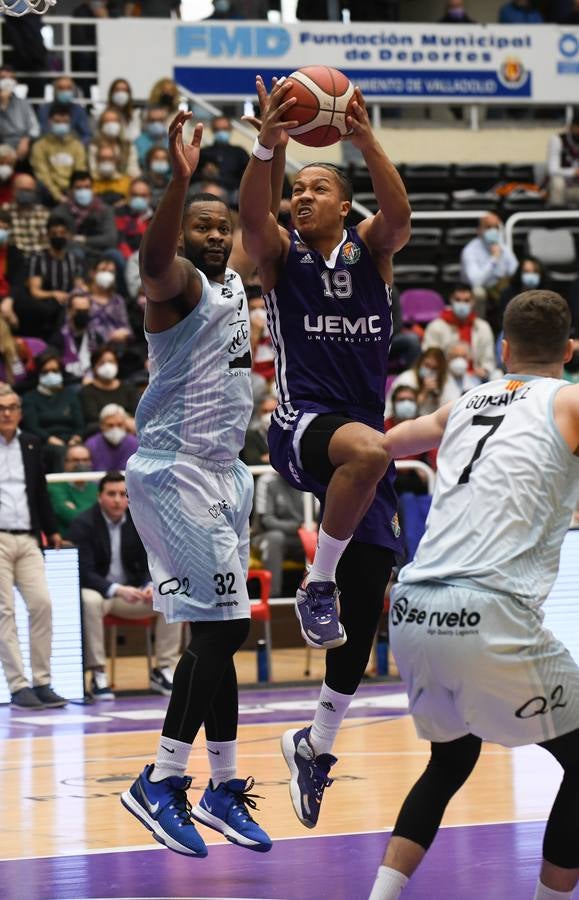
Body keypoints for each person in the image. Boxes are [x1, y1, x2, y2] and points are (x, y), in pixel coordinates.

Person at [238, 76, 410, 827]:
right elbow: (252, 218)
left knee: (367, 601)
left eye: (316, 189)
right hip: (303, 425)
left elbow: (398, 218)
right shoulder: (281, 257)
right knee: (370, 453)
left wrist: (365, 139)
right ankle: (315, 586)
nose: (300, 198)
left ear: (345, 204)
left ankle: (316, 742)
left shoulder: (372, 251)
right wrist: (268, 145)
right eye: (295, 190)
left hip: (359, 436)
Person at [368, 289, 579, 900]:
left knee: (451, 760)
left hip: (411, 608)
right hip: (488, 610)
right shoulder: (568, 400)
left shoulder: (464, 402)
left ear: (504, 349)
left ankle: (381, 895)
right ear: (568, 351)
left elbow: (385, 444)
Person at [121, 109, 272, 857]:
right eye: (201, 226)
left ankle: (219, 784)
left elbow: (256, 213)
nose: (216, 235)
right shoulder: (174, 286)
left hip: (224, 473)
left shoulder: (237, 282)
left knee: (222, 632)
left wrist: (266, 148)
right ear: (183, 234)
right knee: (221, 629)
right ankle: (160, 780)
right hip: (175, 470)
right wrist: (177, 184)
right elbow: (152, 264)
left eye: (223, 227)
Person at [68, 471, 181, 700]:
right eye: (111, 494)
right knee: (88, 601)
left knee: (171, 596)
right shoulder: (83, 524)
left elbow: (154, 559)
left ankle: (164, 669)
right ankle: (98, 673)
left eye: (123, 494)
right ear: (100, 497)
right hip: (103, 594)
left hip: (134, 594)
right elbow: (83, 572)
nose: (118, 500)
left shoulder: (141, 520)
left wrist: (150, 584)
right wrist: (117, 589)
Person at [0, 384, 66, 710]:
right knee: (4, 612)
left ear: (21, 412)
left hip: (28, 537)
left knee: (42, 605)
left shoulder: (30, 443)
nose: (7, 413)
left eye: (12, 407)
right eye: (1, 408)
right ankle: (18, 685)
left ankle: (42, 681)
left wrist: (52, 531)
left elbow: (40, 490)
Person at [421, 283, 497, 380]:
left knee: (497, 375)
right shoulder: (435, 326)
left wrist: (485, 370)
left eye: (466, 300)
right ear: (451, 300)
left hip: (475, 377)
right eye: (458, 300)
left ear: (473, 302)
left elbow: (488, 358)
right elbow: (429, 357)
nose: (462, 304)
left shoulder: (483, 327)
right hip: (444, 377)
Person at [26, 214, 84, 340]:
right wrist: (53, 294)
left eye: (62, 233)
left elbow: (79, 286)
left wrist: (74, 296)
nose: (58, 236)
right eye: (54, 233)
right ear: (47, 235)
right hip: (46, 302)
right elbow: (34, 291)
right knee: (50, 309)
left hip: (68, 300)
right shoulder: (38, 259)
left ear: (68, 235)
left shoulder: (74, 259)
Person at [460, 213, 518, 332]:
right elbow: (476, 281)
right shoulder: (470, 250)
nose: (493, 230)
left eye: (495, 227)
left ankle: (511, 328)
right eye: (488, 227)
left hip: (498, 288)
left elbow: (515, 270)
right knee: (478, 293)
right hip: (475, 289)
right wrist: (494, 259)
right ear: (479, 230)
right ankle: (478, 329)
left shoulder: (502, 246)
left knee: (513, 288)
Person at [253, 470, 305, 599]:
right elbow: (267, 521)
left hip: (301, 539)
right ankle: (272, 599)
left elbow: (318, 517)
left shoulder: (308, 477)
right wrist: (298, 527)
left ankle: (323, 597)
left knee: (324, 538)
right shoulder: (267, 480)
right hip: (265, 535)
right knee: (275, 538)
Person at [53, 171, 118, 268]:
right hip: (74, 251)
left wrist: (83, 240)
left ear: (93, 189)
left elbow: (111, 239)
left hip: (101, 252)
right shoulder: (59, 213)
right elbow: (63, 240)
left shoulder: (105, 210)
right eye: (78, 188)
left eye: (87, 187)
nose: (83, 191)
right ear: (70, 190)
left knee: (115, 255)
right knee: (76, 254)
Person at [30, 104, 87, 206]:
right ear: (49, 122)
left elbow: (79, 171)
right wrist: (58, 196)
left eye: (65, 122)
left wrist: (72, 193)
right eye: (57, 121)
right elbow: (43, 174)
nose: (61, 124)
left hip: (72, 191)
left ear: (70, 123)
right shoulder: (39, 146)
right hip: (48, 191)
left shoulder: (77, 146)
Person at [79, 343, 138, 434]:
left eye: (111, 362)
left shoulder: (128, 388)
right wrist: (122, 421)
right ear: (94, 367)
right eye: (102, 363)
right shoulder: (87, 391)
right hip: (100, 433)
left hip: (129, 433)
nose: (108, 366)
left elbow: (137, 413)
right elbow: (92, 419)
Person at [385, 347, 459, 419]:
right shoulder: (407, 378)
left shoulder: (446, 381)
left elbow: (453, 408)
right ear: (420, 362)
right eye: (427, 365)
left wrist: (437, 398)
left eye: (434, 368)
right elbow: (398, 410)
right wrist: (423, 393)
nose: (429, 371)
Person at [48, 442, 97, 536]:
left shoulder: (96, 488)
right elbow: (70, 516)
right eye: (76, 460)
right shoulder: (54, 486)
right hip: (66, 543)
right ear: (65, 463)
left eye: (85, 460)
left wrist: (76, 509)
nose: (81, 464)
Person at [198, 116, 250, 194]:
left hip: (233, 190)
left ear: (230, 129)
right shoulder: (203, 153)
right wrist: (204, 173)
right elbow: (192, 176)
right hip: (206, 188)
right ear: (213, 130)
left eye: (225, 129)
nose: (221, 132)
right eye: (218, 129)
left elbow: (248, 176)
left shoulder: (239, 152)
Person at [4, 173, 50, 258]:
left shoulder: (45, 213)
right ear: (13, 190)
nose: (26, 193)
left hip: (39, 260)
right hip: (14, 260)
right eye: (22, 190)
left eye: (29, 190)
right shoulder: (4, 212)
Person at [0, 65, 39, 162]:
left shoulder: (23, 103)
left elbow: (34, 127)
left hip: (22, 142)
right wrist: (3, 105)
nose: (7, 81)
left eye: (11, 78)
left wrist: (25, 140)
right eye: (3, 78)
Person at [37, 76, 91, 145]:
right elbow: (42, 134)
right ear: (54, 90)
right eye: (61, 88)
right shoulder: (44, 110)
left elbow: (86, 135)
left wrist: (76, 148)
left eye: (68, 88)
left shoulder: (79, 110)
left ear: (73, 91)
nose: (65, 91)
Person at [85, 402, 138, 469]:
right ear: (102, 425)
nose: (115, 429)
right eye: (110, 425)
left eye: (119, 425)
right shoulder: (91, 444)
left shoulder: (134, 443)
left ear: (125, 425)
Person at [114, 178, 153, 259]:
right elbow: (121, 240)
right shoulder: (120, 213)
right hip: (128, 258)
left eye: (143, 196)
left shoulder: (157, 215)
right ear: (129, 196)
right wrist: (132, 259)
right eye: (135, 195)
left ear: (150, 197)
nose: (138, 199)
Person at [547, 111, 579, 209]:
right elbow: (552, 170)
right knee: (557, 182)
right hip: (563, 186)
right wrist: (574, 172)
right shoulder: (558, 140)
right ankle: (557, 220)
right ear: (572, 126)